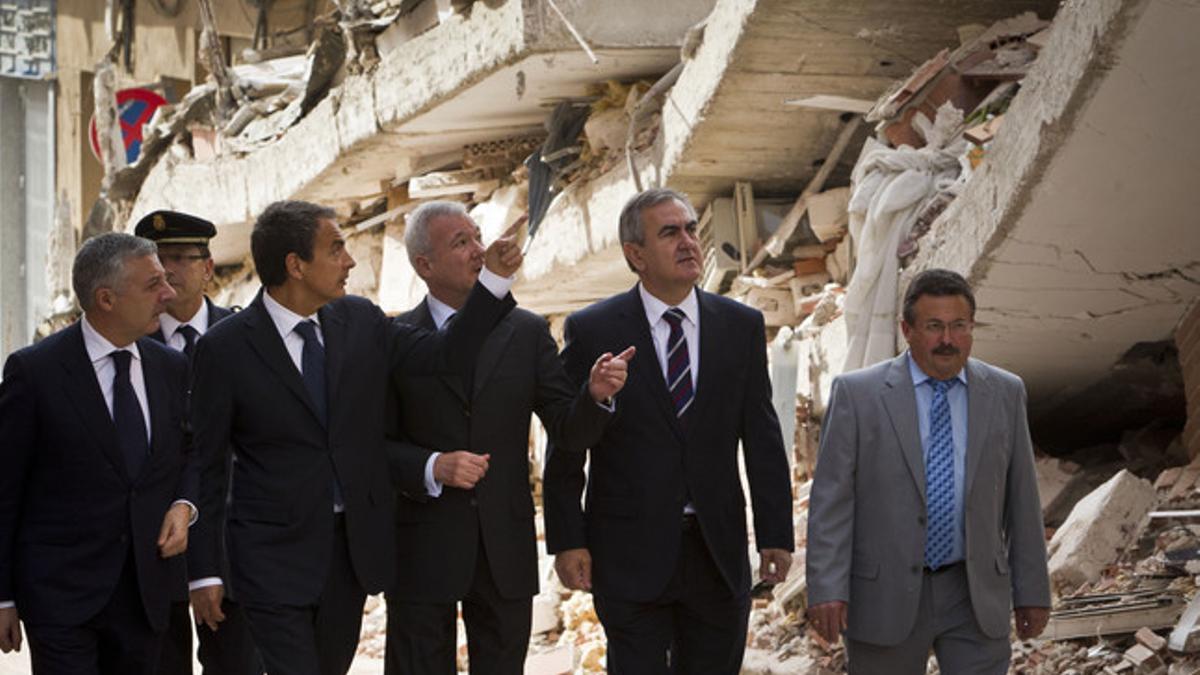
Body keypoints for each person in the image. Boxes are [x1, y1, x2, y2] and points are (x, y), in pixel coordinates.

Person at [188, 200, 522, 675]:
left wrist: (492, 283)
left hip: (349, 555)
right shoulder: (224, 348)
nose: (349, 261)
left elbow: (446, 356)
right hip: (269, 559)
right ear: (295, 265)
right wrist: (205, 570)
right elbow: (206, 464)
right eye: (336, 248)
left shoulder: (361, 322)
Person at [543, 188, 795, 673]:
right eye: (670, 232)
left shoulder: (739, 326)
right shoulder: (593, 328)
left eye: (691, 230)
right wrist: (567, 539)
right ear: (635, 255)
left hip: (716, 553)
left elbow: (762, 437)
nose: (688, 242)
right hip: (627, 556)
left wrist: (775, 533)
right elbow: (567, 443)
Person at [382, 202, 631, 675]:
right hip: (422, 547)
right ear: (423, 265)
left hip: (504, 545)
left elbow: (566, 427)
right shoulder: (395, 337)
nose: (479, 251)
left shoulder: (526, 331)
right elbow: (376, 446)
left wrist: (594, 396)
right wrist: (433, 465)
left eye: (478, 237)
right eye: (461, 243)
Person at [805, 268, 1051, 674]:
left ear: (972, 327)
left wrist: (1033, 591)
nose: (948, 340)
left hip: (973, 594)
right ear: (907, 329)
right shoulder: (859, 395)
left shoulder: (1005, 393)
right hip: (884, 596)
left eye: (959, 326)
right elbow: (831, 503)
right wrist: (826, 587)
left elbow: (1022, 500)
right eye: (934, 326)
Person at [0, 232, 198, 673]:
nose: (168, 293)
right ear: (106, 299)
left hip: (147, 592)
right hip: (61, 598)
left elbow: (188, 451)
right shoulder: (34, 372)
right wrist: (3, 596)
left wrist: (185, 505)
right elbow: (5, 489)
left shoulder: (170, 366)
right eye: (152, 285)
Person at [134, 210, 263, 675]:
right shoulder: (130, 346)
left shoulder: (244, 337)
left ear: (208, 267)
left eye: (180, 258)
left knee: (236, 664)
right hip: (156, 537)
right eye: (156, 259)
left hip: (233, 536)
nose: (167, 271)